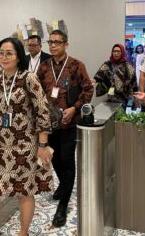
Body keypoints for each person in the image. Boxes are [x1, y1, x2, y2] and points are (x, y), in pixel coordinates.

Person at [0, 37, 53, 236]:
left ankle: (23, 232)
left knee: (23, 192)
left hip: (24, 146)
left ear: (18, 56)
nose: (4, 57)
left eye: (9, 53)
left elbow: (43, 112)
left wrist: (42, 145)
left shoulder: (28, 78)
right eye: (1, 52)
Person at [36, 30, 93, 227]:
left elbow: (88, 89)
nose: (52, 46)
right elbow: (36, 93)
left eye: (57, 42)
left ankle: (63, 205)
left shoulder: (77, 65)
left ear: (66, 44)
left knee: (67, 159)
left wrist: (74, 108)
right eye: (50, 42)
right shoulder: (43, 67)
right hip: (50, 124)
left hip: (69, 121)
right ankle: (64, 185)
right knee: (55, 158)